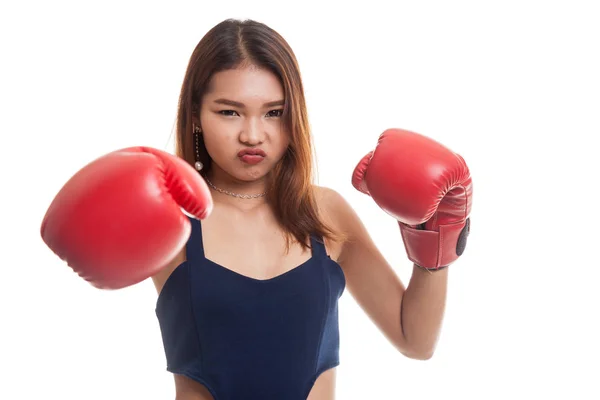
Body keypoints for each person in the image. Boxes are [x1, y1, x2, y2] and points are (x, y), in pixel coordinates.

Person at [40, 18, 472, 400]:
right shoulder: (170, 216)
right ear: (195, 115)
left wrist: (437, 238)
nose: (253, 134)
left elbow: (415, 341)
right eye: (229, 112)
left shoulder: (324, 213)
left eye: (274, 113)